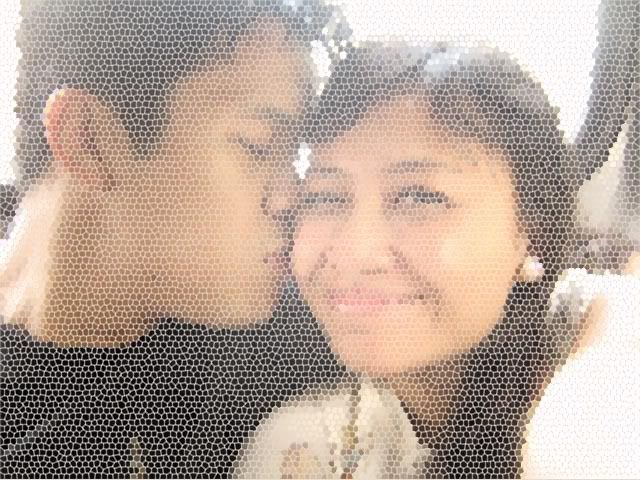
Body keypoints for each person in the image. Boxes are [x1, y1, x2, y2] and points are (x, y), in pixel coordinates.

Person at [1, 1, 348, 476]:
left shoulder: (298, 340)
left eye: (297, 159)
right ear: (88, 141)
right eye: (258, 145)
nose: (293, 197)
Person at [234, 44, 576, 478]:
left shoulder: (603, 382)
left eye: (419, 197)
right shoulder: (304, 452)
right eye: (324, 197)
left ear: (532, 234)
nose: (355, 254)